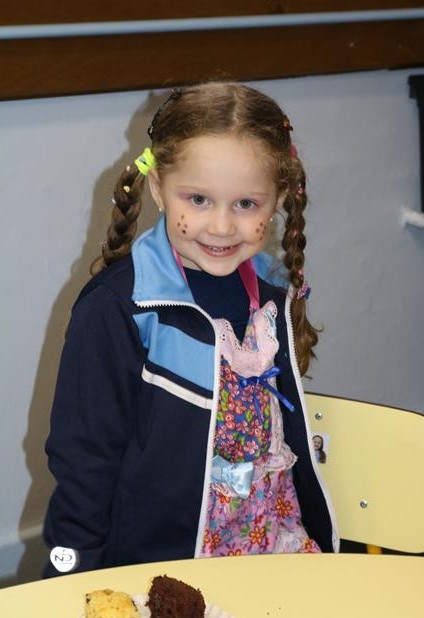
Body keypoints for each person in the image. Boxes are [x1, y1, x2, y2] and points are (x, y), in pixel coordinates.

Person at [43, 81, 338, 577]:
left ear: (278, 199)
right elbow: (84, 462)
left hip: (272, 550)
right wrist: (69, 577)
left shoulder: (272, 295)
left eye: (246, 204)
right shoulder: (119, 309)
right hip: (161, 571)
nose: (221, 226)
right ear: (158, 188)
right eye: (198, 199)